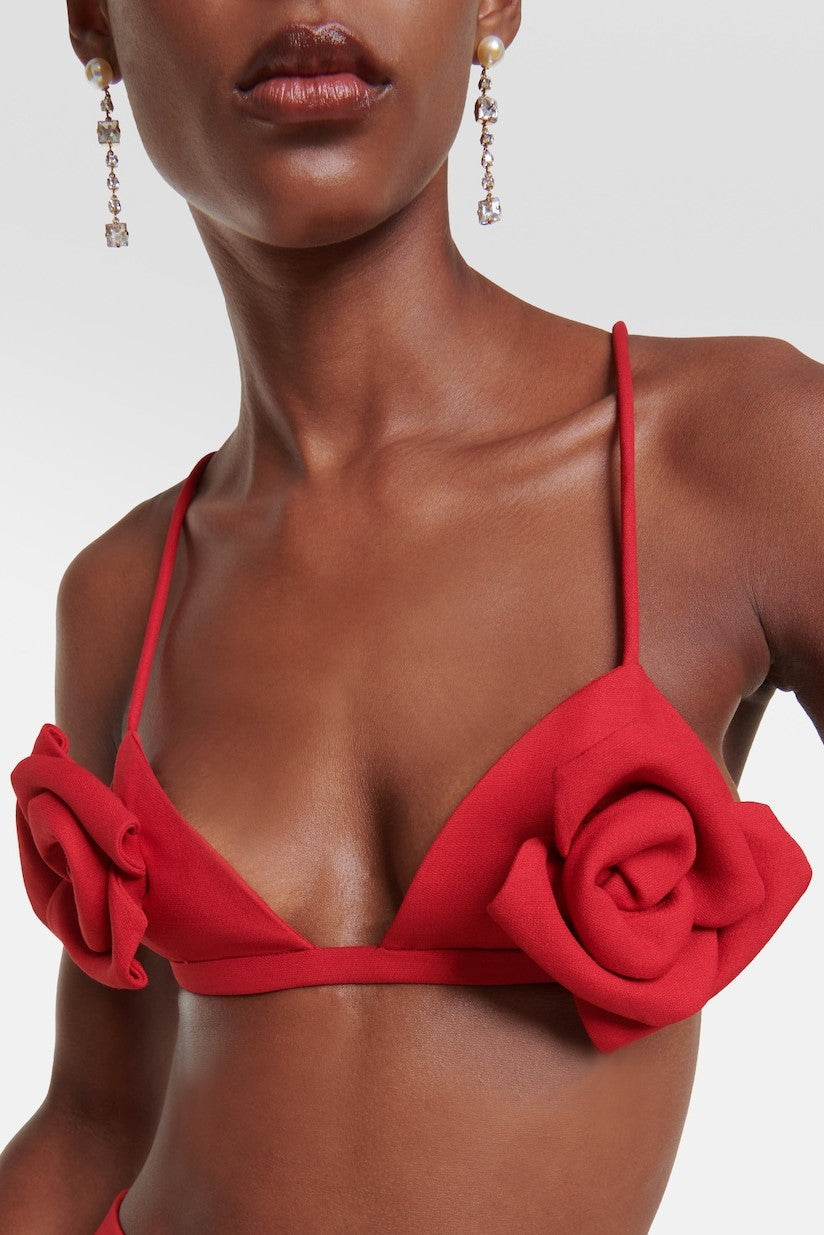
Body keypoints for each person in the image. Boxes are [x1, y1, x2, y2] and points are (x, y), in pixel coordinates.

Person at [0, 2, 821, 1232]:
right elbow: (93, 1123)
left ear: (489, 5)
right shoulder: (124, 590)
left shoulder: (740, 454)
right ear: (94, 23)